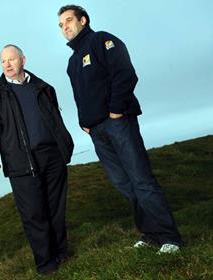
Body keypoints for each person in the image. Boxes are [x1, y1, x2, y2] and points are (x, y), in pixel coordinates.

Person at [57, 5, 183, 253]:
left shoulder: (102, 39)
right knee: (124, 183)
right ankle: (151, 234)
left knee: (141, 180)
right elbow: (79, 95)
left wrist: (115, 111)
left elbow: (125, 73)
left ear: (83, 20)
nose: (65, 27)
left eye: (69, 21)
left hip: (118, 122)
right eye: (61, 25)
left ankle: (171, 238)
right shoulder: (72, 62)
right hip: (97, 132)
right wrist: (85, 122)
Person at [0, 44, 74, 274]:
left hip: (52, 156)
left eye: (11, 59)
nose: (7, 65)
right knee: (34, 214)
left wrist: (64, 144)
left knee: (55, 209)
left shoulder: (43, 88)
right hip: (21, 161)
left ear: (23, 60)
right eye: (3, 61)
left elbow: (55, 119)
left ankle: (62, 253)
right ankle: (46, 263)